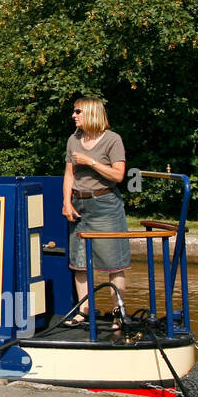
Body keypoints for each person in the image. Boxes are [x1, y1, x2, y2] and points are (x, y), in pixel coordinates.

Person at [62, 97, 128, 328]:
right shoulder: (73, 140)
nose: (74, 115)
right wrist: (66, 203)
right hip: (79, 206)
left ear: (90, 113)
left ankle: (118, 313)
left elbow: (118, 176)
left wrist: (90, 161)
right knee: (79, 262)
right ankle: (84, 310)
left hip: (105, 205)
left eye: (77, 111)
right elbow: (69, 175)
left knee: (113, 263)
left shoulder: (112, 140)